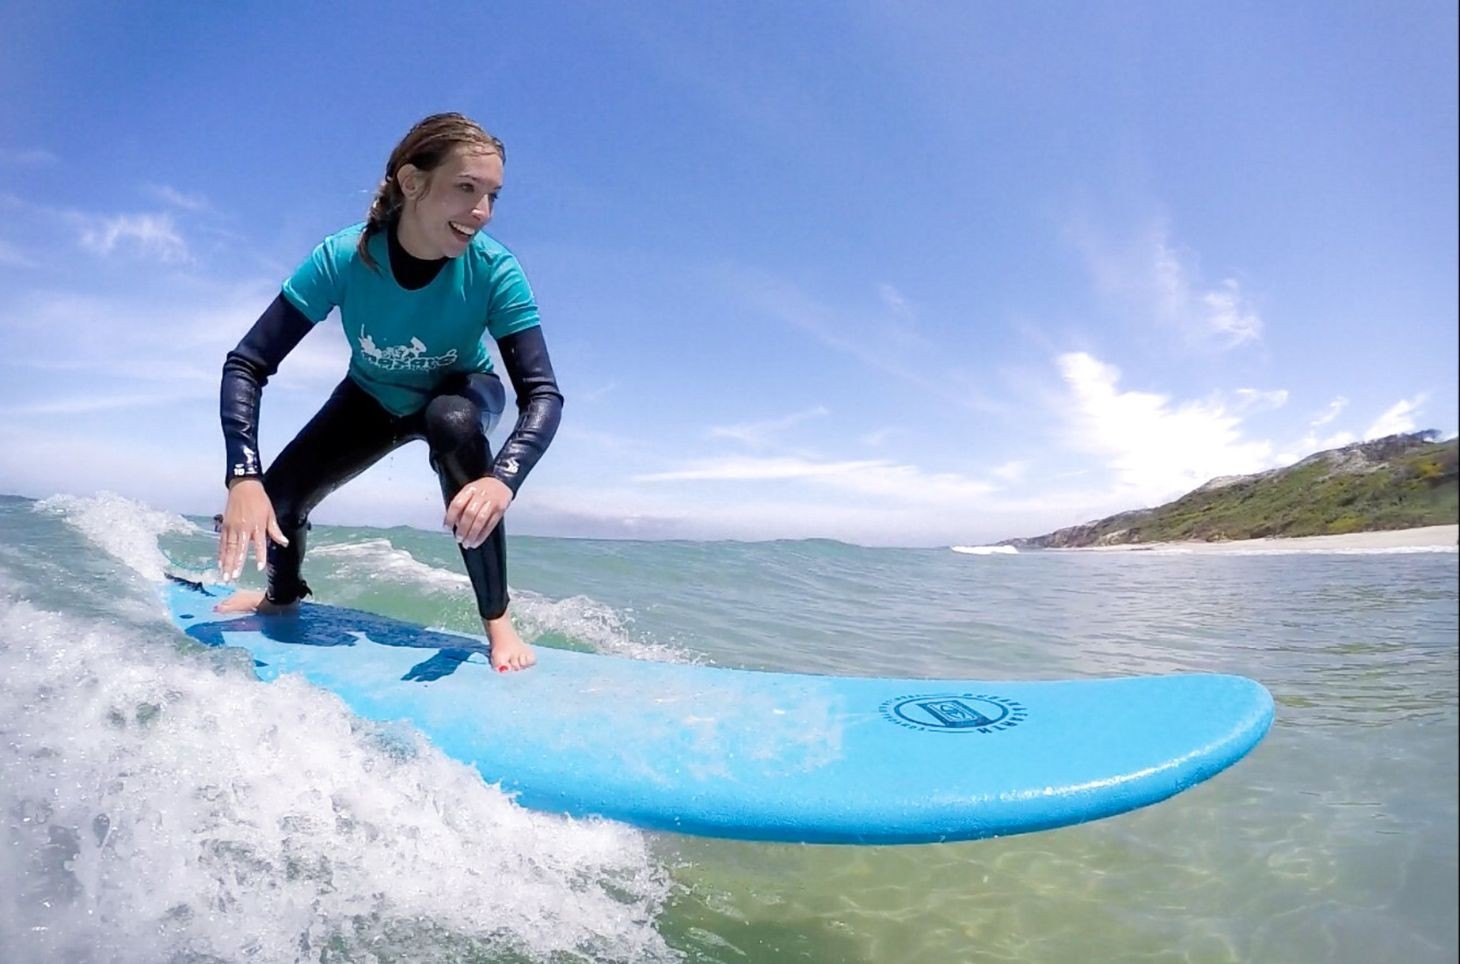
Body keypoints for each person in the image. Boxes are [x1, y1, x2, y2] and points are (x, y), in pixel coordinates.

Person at [214, 112, 562, 673]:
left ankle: (498, 622)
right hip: (371, 397)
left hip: (461, 391)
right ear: (411, 182)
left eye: (492, 195)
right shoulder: (343, 257)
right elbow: (247, 363)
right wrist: (243, 476)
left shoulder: (495, 270)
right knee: (278, 501)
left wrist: (505, 478)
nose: (482, 212)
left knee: (452, 421)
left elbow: (543, 394)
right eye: (466, 188)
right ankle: (281, 597)